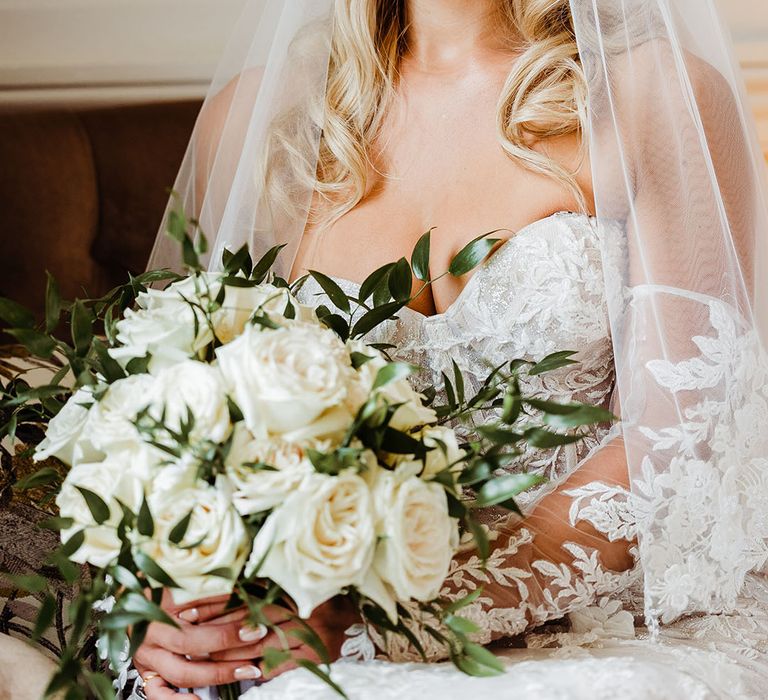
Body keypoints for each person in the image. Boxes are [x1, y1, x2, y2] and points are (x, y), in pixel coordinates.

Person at [134, 0, 768, 698]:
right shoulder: (257, 119)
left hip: (600, 615)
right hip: (307, 620)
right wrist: (192, 606)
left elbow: (675, 441)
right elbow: (188, 429)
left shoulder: (654, 94)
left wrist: (408, 608)